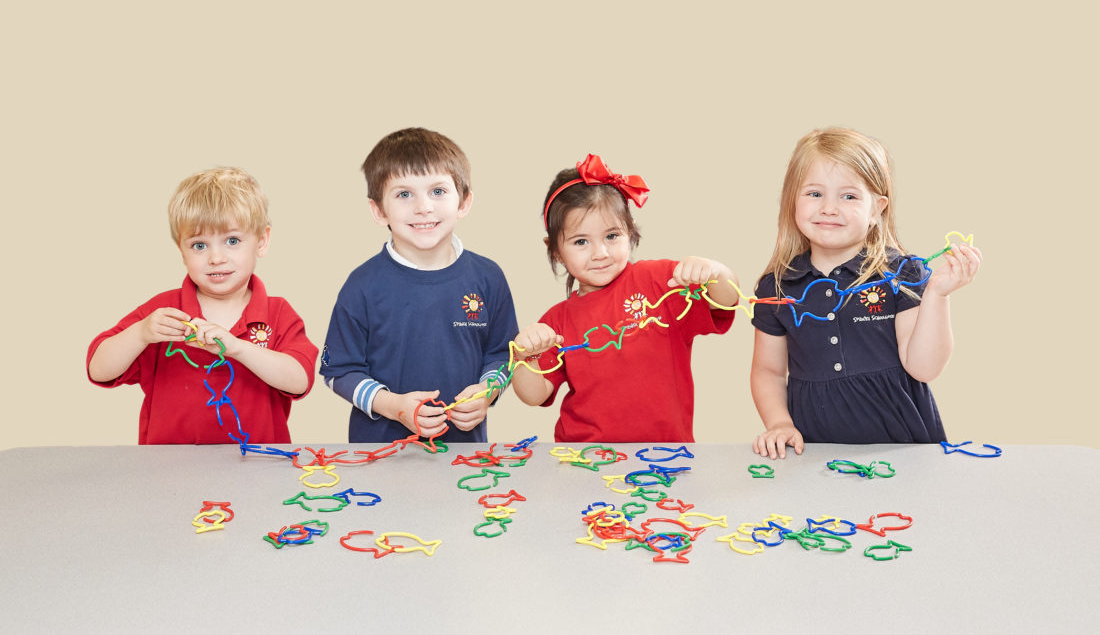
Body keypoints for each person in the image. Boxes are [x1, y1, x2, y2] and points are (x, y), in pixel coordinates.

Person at [750, 127, 983, 458]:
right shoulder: (776, 286)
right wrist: (779, 423)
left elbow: (924, 368)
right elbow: (768, 371)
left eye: (848, 196)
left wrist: (937, 296)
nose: (829, 208)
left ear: (877, 209)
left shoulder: (901, 274)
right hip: (814, 451)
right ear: (792, 200)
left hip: (901, 448)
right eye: (814, 194)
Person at [510, 154, 740, 443]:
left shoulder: (661, 281)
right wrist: (523, 357)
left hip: (664, 457)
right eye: (581, 242)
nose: (600, 253)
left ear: (629, 232)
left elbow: (727, 300)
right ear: (555, 250)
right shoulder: (557, 321)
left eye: (612, 236)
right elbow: (534, 395)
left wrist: (715, 272)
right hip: (585, 459)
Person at [87, 167, 318, 445]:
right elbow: (98, 369)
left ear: (262, 241)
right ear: (181, 251)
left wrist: (238, 348)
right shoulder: (161, 311)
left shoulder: (278, 313)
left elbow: (299, 380)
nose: (216, 257)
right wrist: (140, 333)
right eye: (199, 245)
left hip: (260, 467)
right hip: (167, 472)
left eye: (232, 241)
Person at [320, 127, 518, 443]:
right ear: (378, 210)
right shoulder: (362, 285)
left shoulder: (488, 277)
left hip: (464, 459)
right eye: (404, 194)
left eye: (437, 191)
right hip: (380, 458)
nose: (423, 207)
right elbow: (338, 372)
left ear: (464, 202)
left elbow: (503, 355)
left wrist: (486, 391)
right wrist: (394, 406)